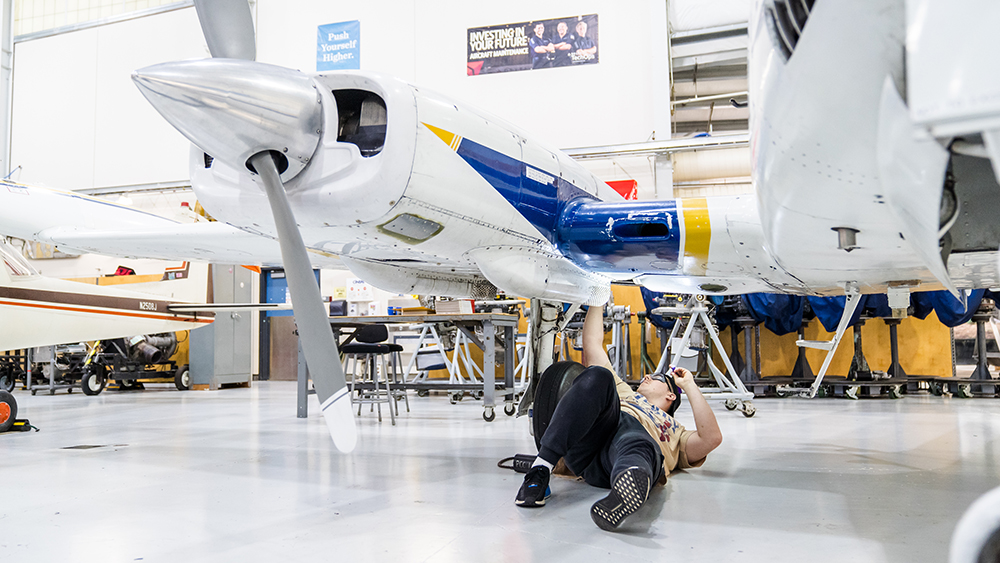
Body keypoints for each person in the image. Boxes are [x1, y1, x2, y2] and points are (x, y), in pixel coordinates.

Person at [515, 304, 723, 531]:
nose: (645, 376)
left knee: (638, 440)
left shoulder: (675, 431)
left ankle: (626, 486)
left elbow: (711, 438)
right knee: (598, 375)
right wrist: (598, 296)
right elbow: (593, 345)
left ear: (671, 394)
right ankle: (541, 468)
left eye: (655, 377)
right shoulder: (624, 392)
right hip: (587, 446)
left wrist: (689, 385)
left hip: (623, 455)